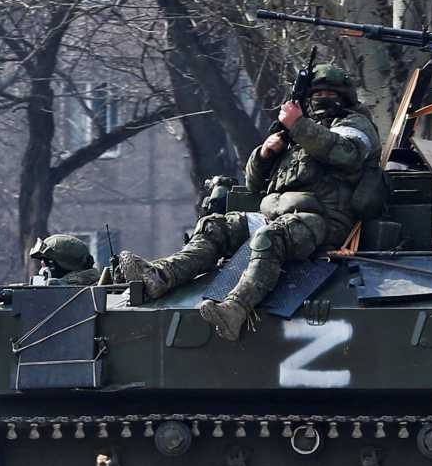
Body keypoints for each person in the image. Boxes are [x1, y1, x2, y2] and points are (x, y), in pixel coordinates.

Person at [111, 62, 383, 340]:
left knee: (269, 237)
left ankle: (235, 309)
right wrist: (265, 154)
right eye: (317, 93)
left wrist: (298, 125)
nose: (323, 98)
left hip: (324, 223)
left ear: (345, 97)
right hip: (276, 216)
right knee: (214, 227)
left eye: (330, 93)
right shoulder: (296, 133)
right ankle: (160, 277)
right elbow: (255, 186)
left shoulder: (353, 125)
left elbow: (346, 153)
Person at [28, 234, 102, 286]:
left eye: (48, 261)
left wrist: (58, 284)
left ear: (67, 264)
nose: (43, 264)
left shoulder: (89, 289)